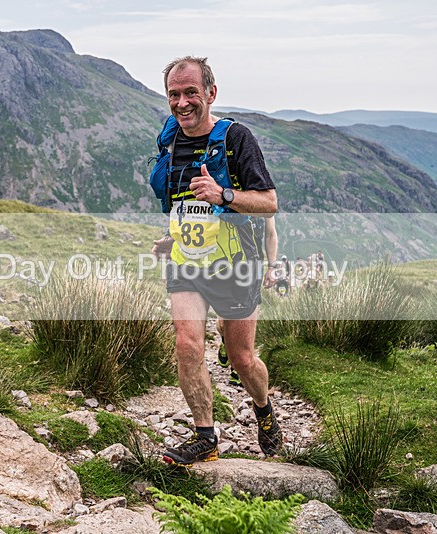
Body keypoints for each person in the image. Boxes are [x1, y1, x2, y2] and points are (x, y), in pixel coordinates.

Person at [150, 56, 283, 466]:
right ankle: (205, 437)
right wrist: (173, 238)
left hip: (236, 265)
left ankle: (263, 408)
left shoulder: (236, 139)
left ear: (210, 93)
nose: (182, 102)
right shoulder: (171, 143)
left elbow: (268, 203)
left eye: (191, 92)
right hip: (187, 262)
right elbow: (183, 207)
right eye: (174, 94)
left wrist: (223, 195)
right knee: (187, 343)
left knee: (242, 359)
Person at [217, 215, 278, 387]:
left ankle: (237, 368)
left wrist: (272, 267)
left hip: (252, 267)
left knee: (246, 320)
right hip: (224, 263)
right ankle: (226, 340)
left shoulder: (263, 201)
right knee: (223, 321)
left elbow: (270, 234)